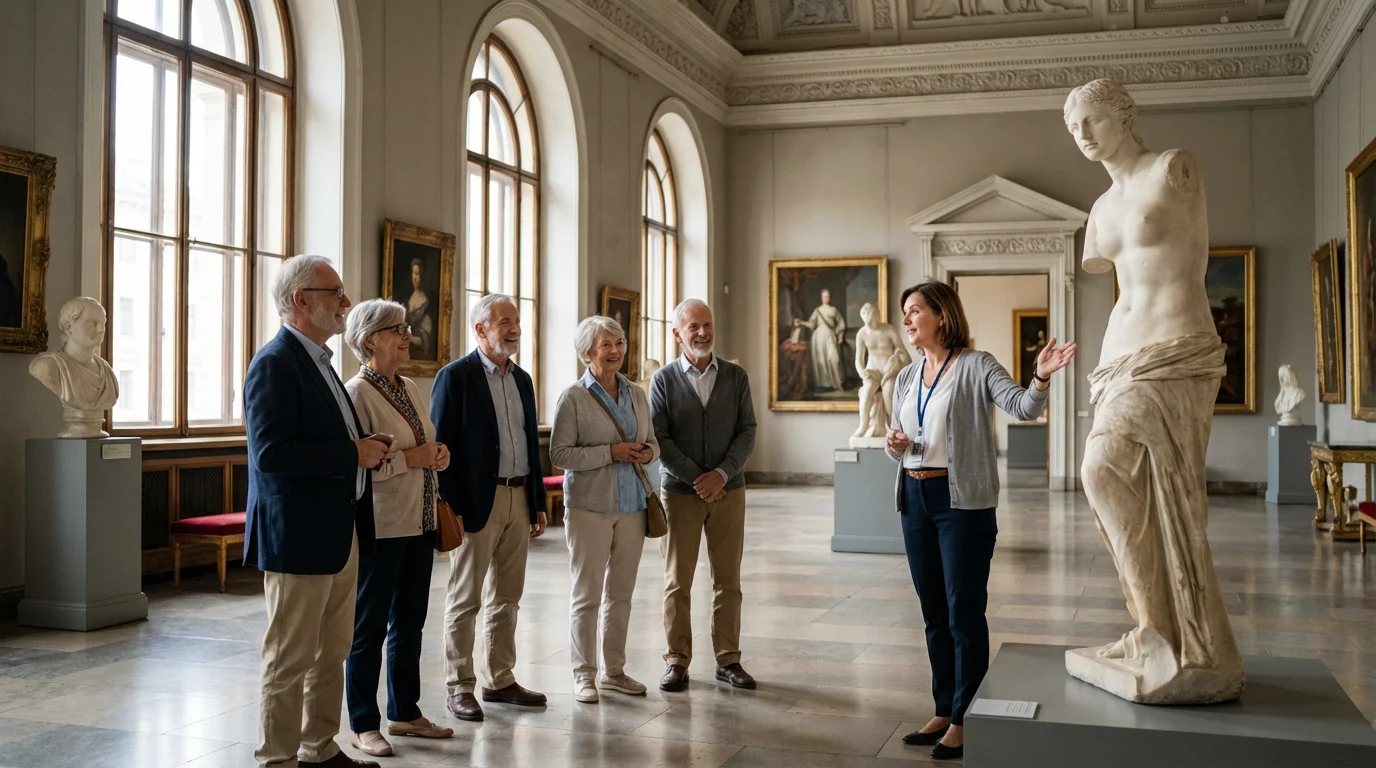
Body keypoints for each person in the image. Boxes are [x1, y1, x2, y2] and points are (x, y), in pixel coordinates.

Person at [1065, 78, 1244, 705]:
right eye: (1074, 128)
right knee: (1114, 482)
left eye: (1092, 120)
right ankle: (1155, 629)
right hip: (1119, 360)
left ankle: (1189, 641)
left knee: (1112, 473)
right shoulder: (1099, 212)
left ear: (1123, 114)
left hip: (1176, 349)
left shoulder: (1173, 169)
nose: (1083, 135)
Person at [884, 281, 1074, 761]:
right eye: (904, 313)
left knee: (962, 612)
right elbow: (900, 434)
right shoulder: (907, 376)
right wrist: (894, 445)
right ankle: (943, 708)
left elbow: (1022, 407)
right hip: (914, 495)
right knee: (932, 613)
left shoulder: (976, 364)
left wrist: (1041, 378)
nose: (906, 320)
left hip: (961, 504)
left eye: (914, 311)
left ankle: (966, 717)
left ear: (941, 316)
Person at [244, 254, 392, 768]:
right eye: (335, 294)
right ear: (300, 300)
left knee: (332, 652)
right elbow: (271, 454)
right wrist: (354, 453)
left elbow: (327, 442)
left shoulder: (323, 363)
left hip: (338, 528)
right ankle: (277, 758)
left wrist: (362, 445)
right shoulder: (274, 363)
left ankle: (319, 747)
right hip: (298, 536)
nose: (346, 304)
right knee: (289, 659)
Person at [341, 299, 455, 758]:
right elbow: (360, 465)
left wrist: (437, 453)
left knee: (409, 623)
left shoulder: (408, 385)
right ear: (370, 339)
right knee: (368, 628)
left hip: (420, 521)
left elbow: (422, 443)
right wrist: (414, 459)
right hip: (382, 526)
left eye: (406, 328)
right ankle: (363, 723)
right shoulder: (357, 394)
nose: (408, 336)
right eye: (398, 329)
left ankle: (405, 711)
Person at [430, 293, 548, 722]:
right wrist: (450, 505)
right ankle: (459, 686)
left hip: (518, 498)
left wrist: (535, 500)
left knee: (508, 596)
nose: (513, 328)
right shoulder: (454, 377)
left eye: (516, 320)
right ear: (480, 329)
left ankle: (500, 678)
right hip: (475, 504)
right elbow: (442, 449)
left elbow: (530, 445)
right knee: (465, 598)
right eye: (504, 321)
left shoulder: (522, 380)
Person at [549, 315, 660, 703]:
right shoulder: (573, 398)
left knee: (622, 594)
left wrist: (646, 452)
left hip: (633, 506)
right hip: (589, 509)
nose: (615, 351)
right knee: (588, 594)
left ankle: (614, 671)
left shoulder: (637, 394)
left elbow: (652, 443)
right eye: (606, 345)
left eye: (620, 343)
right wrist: (609, 453)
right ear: (586, 353)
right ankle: (584, 674)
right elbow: (560, 454)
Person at [650, 298, 757, 692]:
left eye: (707, 324)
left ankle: (729, 659)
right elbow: (660, 437)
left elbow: (747, 430)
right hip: (679, 493)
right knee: (677, 581)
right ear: (677, 333)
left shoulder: (735, 376)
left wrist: (722, 475)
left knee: (728, 580)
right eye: (693, 326)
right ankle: (676, 661)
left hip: (730, 492)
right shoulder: (662, 380)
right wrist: (699, 479)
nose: (702, 332)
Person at [28, 296, 119, 439]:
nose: (100, 329)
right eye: (92, 322)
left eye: (103, 323)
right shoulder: (47, 366)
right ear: (68, 326)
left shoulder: (106, 371)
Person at [852, 301, 911, 441]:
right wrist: (862, 372)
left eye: (873, 318)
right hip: (872, 371)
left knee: (889, 395)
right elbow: (858, 359)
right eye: (867, 320)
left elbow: (906, 356)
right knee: (866, 393)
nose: (870, 323)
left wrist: (897, 362)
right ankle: (863, 425)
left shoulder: (889, 329)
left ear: (877, 316)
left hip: (889, 372)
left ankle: (893, 427)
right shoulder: (862, 333)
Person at [793, 288, 846, 392]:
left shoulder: (833, 310)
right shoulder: (817, 310)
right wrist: (802, 323)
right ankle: (823, 384)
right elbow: (812, 323)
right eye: (824, 296)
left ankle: (836, 383)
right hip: (818, 338)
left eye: (827, 296)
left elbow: (841, 324)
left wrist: (840, 336)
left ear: (830, 298)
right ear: (821, 298)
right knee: (820, 360)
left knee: (833, 358)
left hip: (830, 336)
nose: (826, 298)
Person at [404, 257, 435, 360]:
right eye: (414, 273)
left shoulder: (425, 303)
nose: (415, 278)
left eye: (417, 274)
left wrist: (410, 339)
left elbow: (425, 340)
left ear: (422, 276)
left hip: (418, 352)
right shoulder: (408, 299)